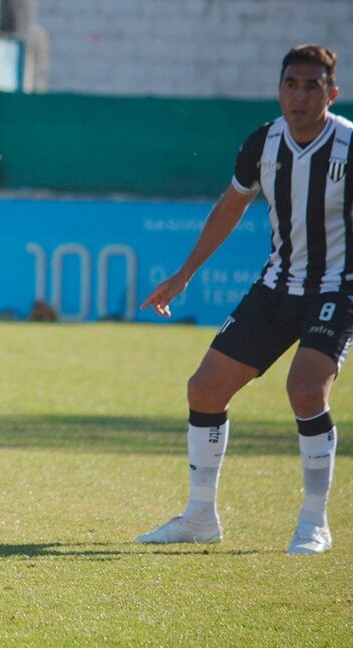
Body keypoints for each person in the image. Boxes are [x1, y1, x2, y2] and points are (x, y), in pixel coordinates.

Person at [136, 44, 349, 556]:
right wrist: (184, 274)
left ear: (332, 92)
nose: (299, 96)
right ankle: (199, 517)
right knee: (205, 390)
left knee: (305, 388)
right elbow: (230, 208)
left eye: (311, 86)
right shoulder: (262, 143)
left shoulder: (347, 146)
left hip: (338, 287)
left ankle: (313, 523)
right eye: (291, 85)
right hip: (277, 287)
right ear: (278, 90)